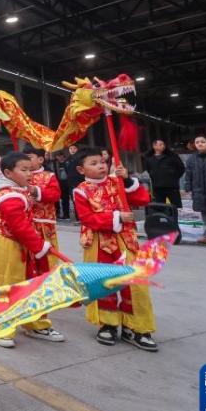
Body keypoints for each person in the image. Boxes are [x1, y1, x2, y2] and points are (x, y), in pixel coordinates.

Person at [73, 148, 156, 350]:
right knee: (104, 283)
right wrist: (117, 217)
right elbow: (87, 218)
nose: (101, 165)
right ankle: (108, 324)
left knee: (135, 283)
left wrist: (127, 181)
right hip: (99, 242)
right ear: (80, 169)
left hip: (126, 240)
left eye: (102, 161)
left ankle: (136, 327)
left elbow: (143, 200)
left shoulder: (117, 182)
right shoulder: (81, 190)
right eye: (93, 163)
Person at [0, 152, 63, 348]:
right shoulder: (7, 194)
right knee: (5, 286)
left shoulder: (18, 189)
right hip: (6, 243)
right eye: (24, 170)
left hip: (21, 243)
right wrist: (39, 246)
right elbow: (18, 225)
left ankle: (35, 324)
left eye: (30, 169)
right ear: (8, 173)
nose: (30, 173)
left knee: (30, 284)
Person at [23, 146, 63, 262]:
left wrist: (37, 191)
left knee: (47, 256)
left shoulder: (48, 176)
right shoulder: (19, 175)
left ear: (41, 160)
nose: (25, 160)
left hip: (44, 221)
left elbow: (55, 194)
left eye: (29, 158)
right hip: (25, 221)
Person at [142, 140, 185, 207]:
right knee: (160, 206)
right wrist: (153, 175)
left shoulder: (172, 156)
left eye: (164, 144)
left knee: (176, 205)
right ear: (154, 146)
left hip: (171, 185)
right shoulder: (149, 158)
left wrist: (174, 177)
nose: (163, 146)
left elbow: (181, 168)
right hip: (157, 186)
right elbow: (149, 169)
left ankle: (178, 217)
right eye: (161, 144)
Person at [52, 151, 71, 220]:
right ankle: (58, 213)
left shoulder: (68, 161)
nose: (59, 157)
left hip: (67, 182)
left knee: (65, 199)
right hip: (58, 182)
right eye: (57, 156)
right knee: (56, 198)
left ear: (63, 155)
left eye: (60, 155)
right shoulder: (54, 163)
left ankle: (66, 215)